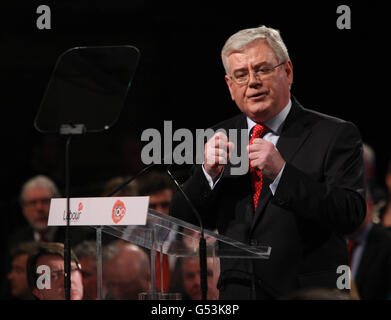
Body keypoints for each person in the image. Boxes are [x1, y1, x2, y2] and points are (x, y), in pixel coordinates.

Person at [170, 25, 366, 299]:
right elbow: (181, 220)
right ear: (230, 86)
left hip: (306, 292)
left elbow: (350, 214)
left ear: (287, 72)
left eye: (262, 69)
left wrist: (282, 173)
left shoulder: (334, 133)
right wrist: (207, 175)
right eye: (241, 75)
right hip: (237, 292)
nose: (252, 81)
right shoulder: (218, 137)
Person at [347, 190, 391, 299]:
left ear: (370, 207)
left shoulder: (387, 245)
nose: (348, 214)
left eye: (355, 207)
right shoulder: (332, 242)